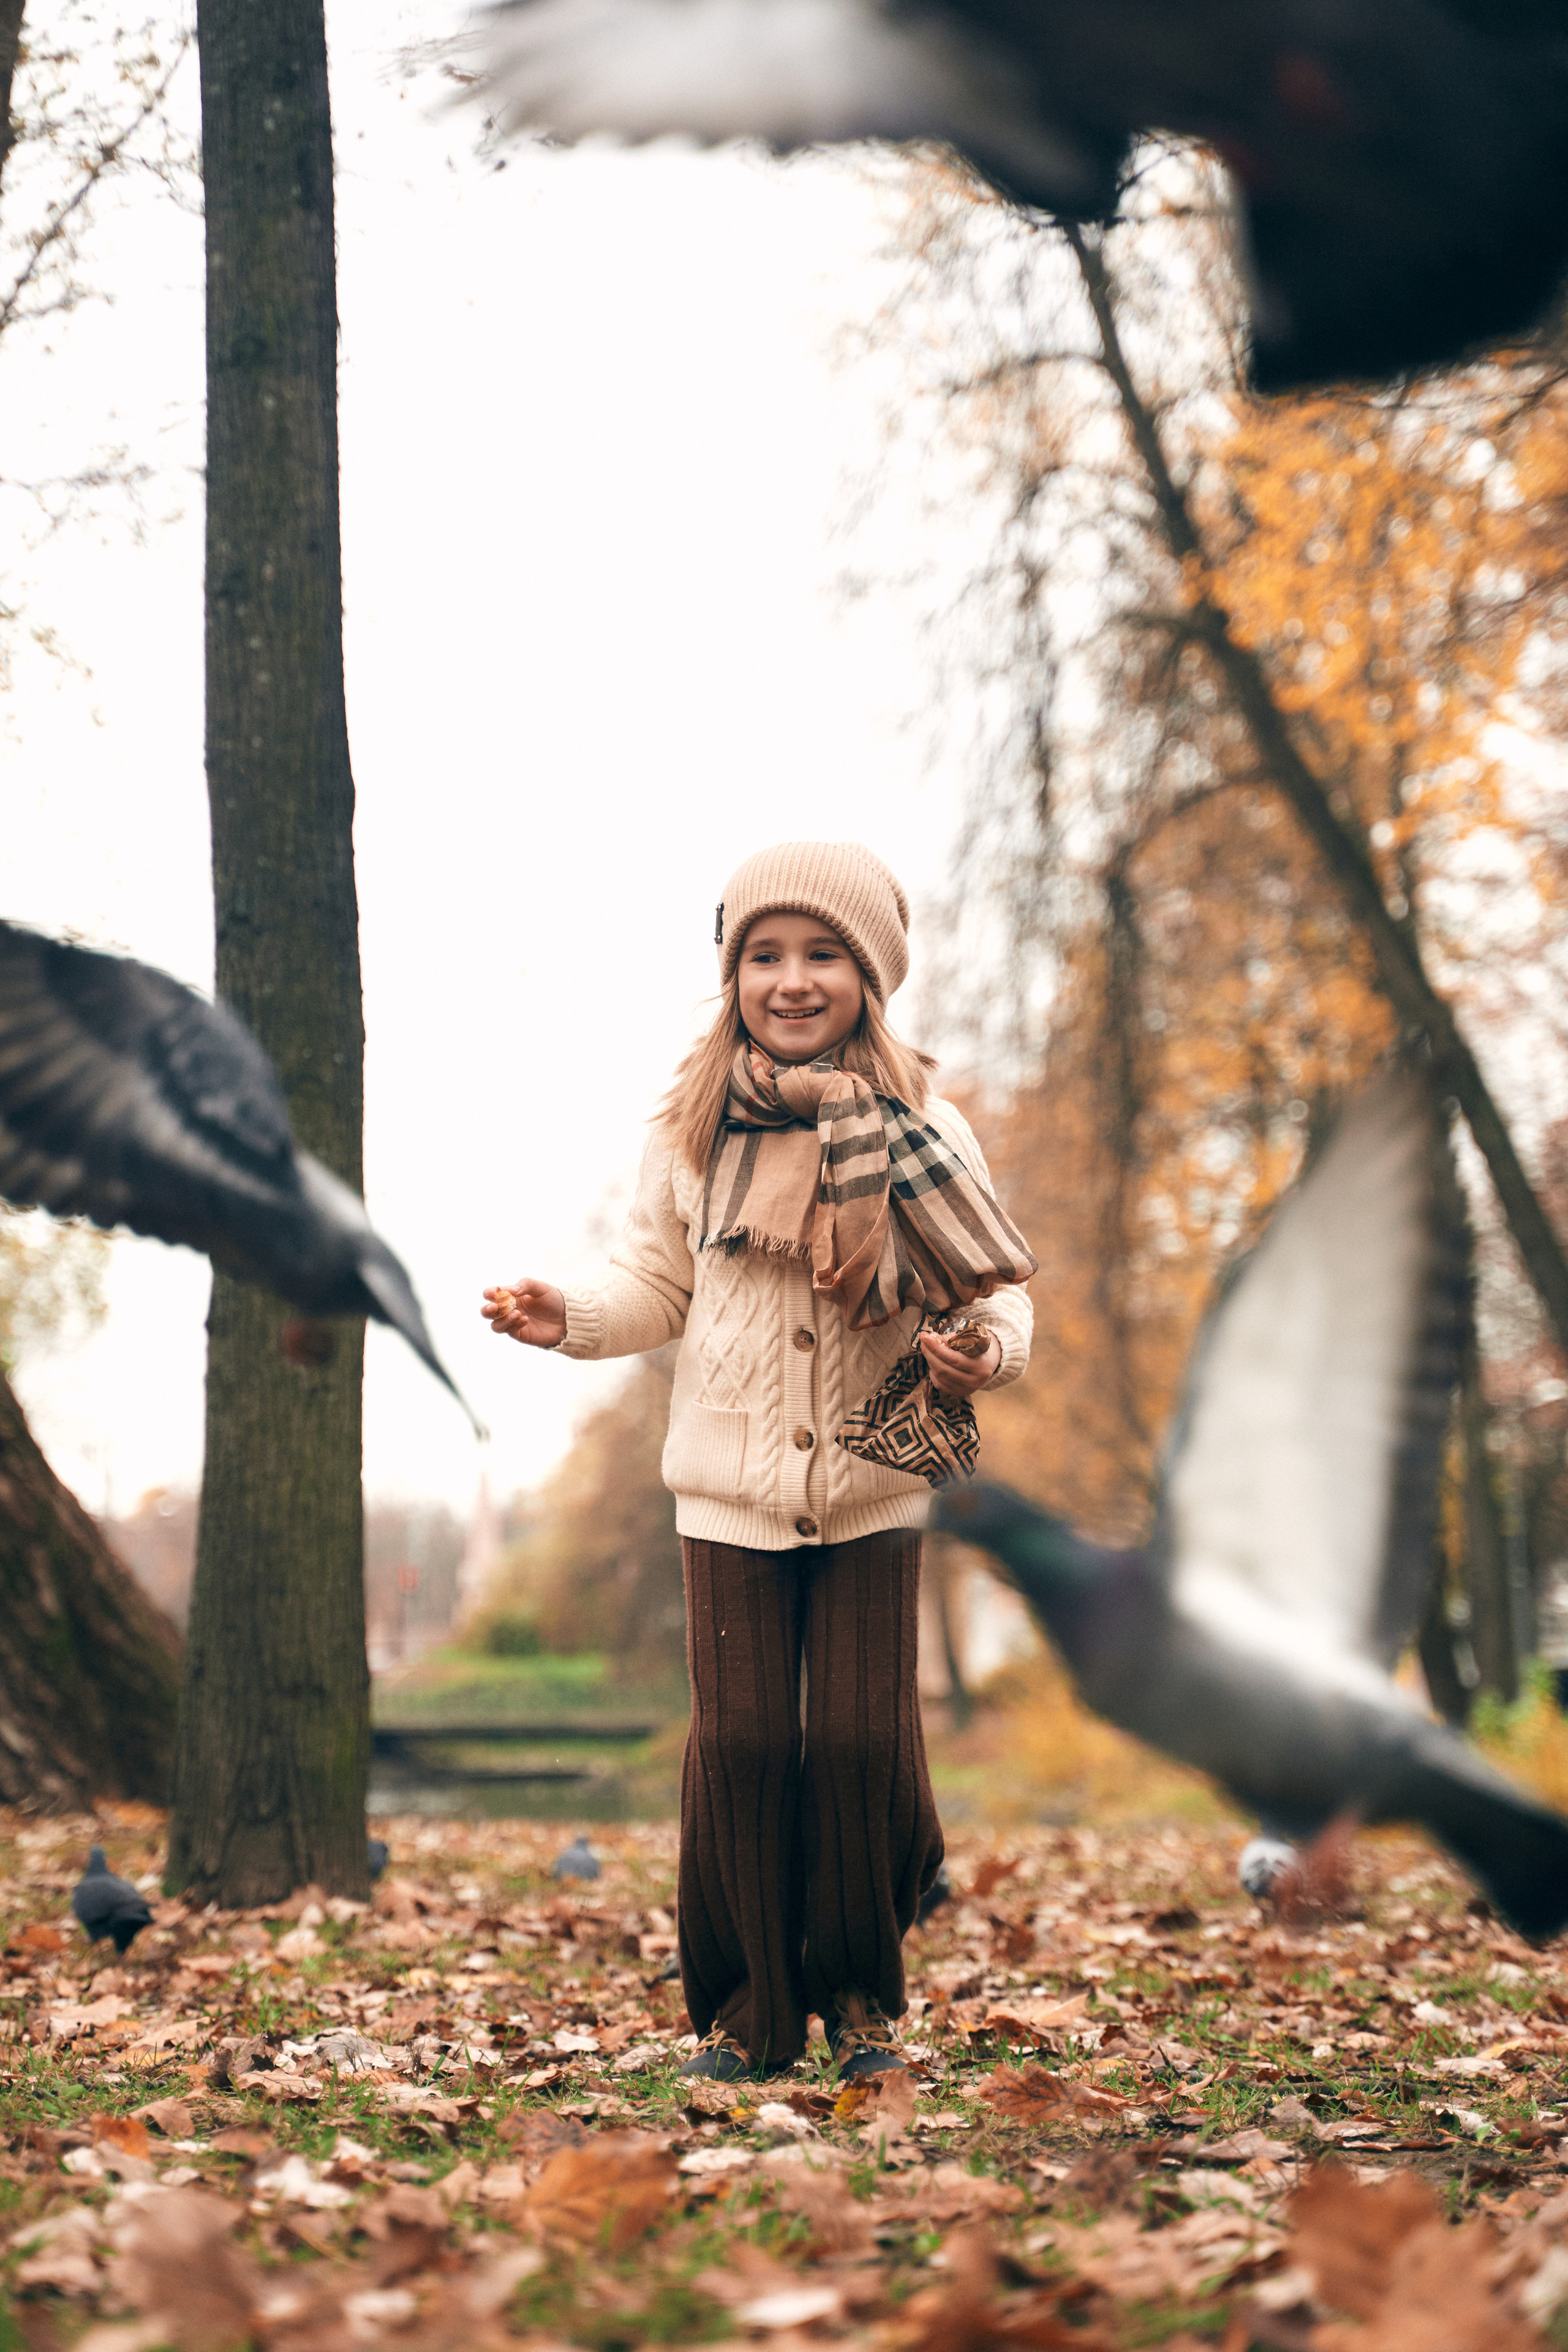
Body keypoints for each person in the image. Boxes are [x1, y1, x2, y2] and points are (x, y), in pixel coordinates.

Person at [482, 842, 1035, 2082]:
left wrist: (982, 1353)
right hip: (724, 1490)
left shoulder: (923, 1127)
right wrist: (562, 1314)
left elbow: (994, 1283)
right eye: (765, 956)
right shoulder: (689, 1131)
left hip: (869, 1487)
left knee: (851, 1746)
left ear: (869, 976)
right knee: (735, 1750)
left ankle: (858, 2008)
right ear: (733, 975)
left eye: (821, 955)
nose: (792, 980)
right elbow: (652, 1284)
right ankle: (743, 2017)